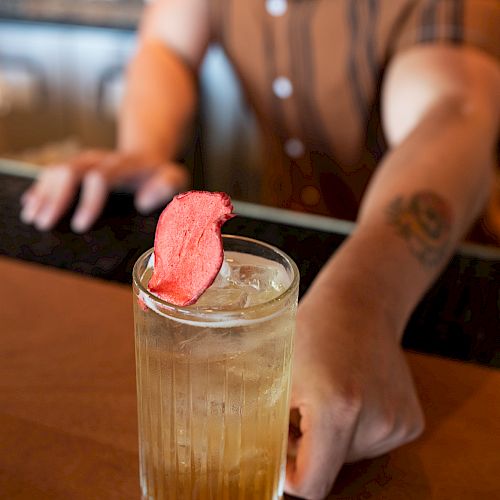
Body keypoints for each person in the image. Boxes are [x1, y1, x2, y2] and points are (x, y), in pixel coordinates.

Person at [20, 1, 499, 498]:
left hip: (431, 280)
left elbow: (455, 109)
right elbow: (169, 46)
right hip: (289, 246)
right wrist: (145, 147)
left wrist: (365, 302)